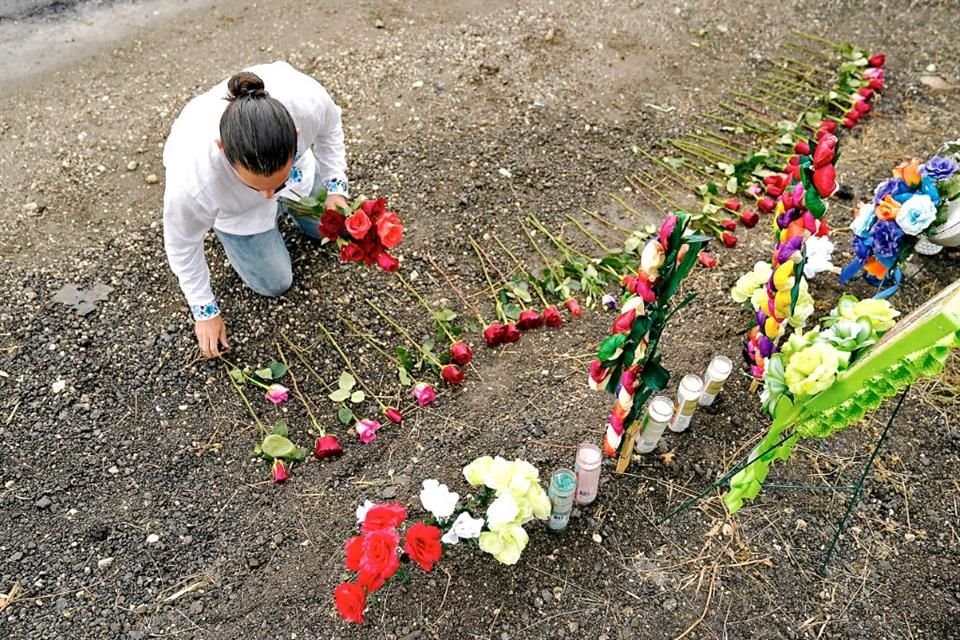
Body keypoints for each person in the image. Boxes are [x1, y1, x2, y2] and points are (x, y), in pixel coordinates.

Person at [162, 61, 349, 358]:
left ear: (296, 135)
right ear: (223, 149)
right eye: (255, 186)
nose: (266, 196)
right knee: (275, 283)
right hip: (237, 213)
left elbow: (331, 128)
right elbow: (182, 243)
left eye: (275, 184)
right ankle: (231, 232)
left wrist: (337, 189)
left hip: (300, 177)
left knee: (329, 230)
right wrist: (204, 310)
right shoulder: (193, 180)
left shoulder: (306, 100)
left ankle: (290, 189)